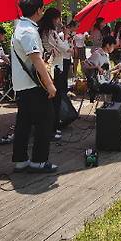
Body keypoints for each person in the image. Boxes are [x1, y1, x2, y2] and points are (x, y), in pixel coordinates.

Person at [10, 0, 57, 174]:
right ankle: (39, 161)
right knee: (45, 121)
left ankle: (20, 160)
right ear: (38, 10)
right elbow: (36, 60)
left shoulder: (19, 28)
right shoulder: (29, 31)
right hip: (33, 86)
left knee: (24, 124)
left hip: (22, 86)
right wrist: (50, 84)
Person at [39, 8, 71, 141]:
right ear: (53, 18)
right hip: (54, 67)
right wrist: (67, 38)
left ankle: (51, 126)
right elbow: (63, 48)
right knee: (55, 98)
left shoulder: (42, 31)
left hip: (48, 67)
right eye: (58, 18)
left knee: (50, 98)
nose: (59, 21)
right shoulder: (50, 32)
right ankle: (53, 126)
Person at [85, 36, 121, 102]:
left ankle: (113, 106)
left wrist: (117, 69)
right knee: (118, 89)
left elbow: (107, 72)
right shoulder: (97, 54)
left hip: (105, 81)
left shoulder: (106, 55)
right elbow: (85, 65)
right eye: (113, 46)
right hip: (98, 84)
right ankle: (112, 107)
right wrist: (97, 67)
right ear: (107, 45)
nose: (113, 48)